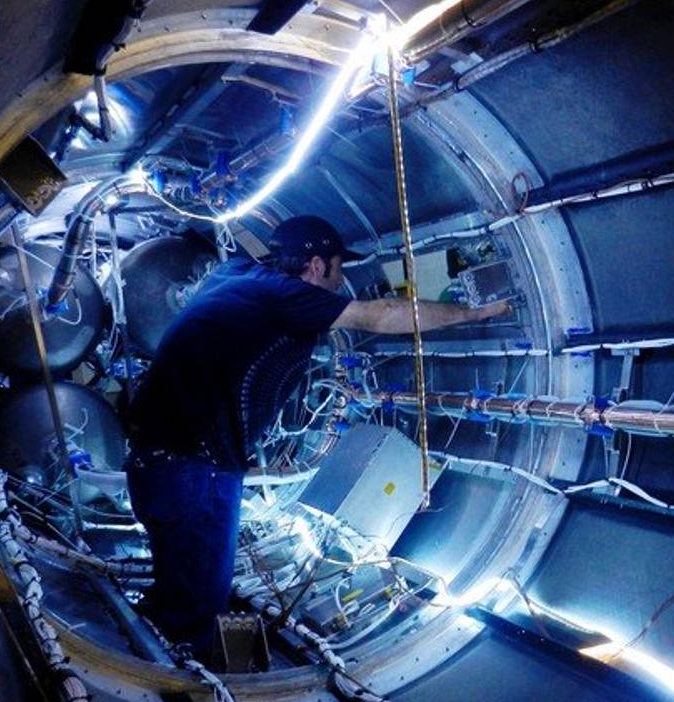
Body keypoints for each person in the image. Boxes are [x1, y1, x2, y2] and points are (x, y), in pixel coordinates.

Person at [124, 215, 509, 651]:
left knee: (175, 585)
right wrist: (476, 312)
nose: (340, 279)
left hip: (153, 461)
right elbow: (381, 316)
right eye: (338, 268)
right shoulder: (285, 295)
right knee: (197, 609)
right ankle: (180, 686)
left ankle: (150, 636)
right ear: (316, 266)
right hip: (197, 469)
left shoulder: (235, 274)